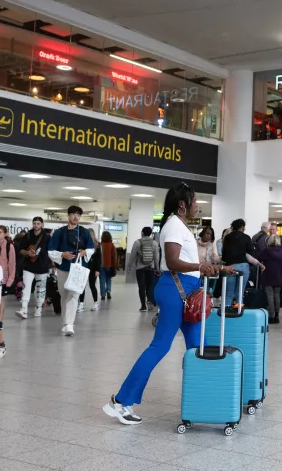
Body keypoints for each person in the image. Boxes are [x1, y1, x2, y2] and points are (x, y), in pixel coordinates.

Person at [102, 183, 235, 426]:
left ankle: (203, 400)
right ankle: (121, 401)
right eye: (194, 200)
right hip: (177, 289)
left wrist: (215, 268)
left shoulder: (181, 225)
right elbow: (173, 262)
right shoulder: (173, 225)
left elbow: (185, 261)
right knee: (160, 346)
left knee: (198, 346)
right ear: (182, 204)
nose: (197, 205)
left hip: (185, 289)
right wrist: (199, 267)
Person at [47, 205, 95, 337]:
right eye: (73, 214)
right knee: (64, 294)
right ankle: (65, 323)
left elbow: (92, 249)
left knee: (73, 295)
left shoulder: (84, 232)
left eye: (78, 215)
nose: (76, 217)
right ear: (68, 216)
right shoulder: (59, 232)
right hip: (63, 268)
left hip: (78, 269)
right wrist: (62, 255)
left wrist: (85, 251)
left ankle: (70, 324)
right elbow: (50, 250)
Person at [222, 219, 265, 308]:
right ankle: (239, 311)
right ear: (242, 227)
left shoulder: (227, 237)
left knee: (229, 293)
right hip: (243, 266)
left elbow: (224, 254)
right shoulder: (246, 237)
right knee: (240, 292)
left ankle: (226, 311)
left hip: (230, 266)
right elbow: (250, 254)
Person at [16, 217, 50, 319]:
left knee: (41, 288)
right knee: (26, 287)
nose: (36, 225)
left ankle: (39, 308)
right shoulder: (28, 235)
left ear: (42, 224)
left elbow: (51, 251)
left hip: (42, 266)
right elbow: (20, 249)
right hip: (28, 265)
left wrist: (53, 265)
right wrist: (27, 253)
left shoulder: (47, 236)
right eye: (34, 223)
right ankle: (24, 309)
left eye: (38, 223)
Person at [128, 227, 160, 312]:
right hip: (151, 268)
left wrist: (129, 267)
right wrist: (157, 269)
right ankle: (149, 301)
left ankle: (143, 306)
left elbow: (132, 256)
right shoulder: (154, 243)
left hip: (140, 269)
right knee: (150, 287)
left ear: (142, 233)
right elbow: (156, 258)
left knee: (141, 287)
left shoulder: (137, 242)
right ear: (150, 233)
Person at [259, 234, 282, 324]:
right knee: (277, 295)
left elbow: (258, 257)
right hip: (278, 275)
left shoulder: (267, 250)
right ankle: (277, 316)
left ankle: (271, 316)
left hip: (268, 275)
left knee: (270, 296)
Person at [0, 225, 16, 328]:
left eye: (0, 232)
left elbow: (12, 264)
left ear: (5, 234)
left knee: (0, 299)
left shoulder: (9, 246)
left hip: (3, 277)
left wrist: (10, 280)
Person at [99, 231, 118, 301]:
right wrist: (114, 265)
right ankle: (108, 291)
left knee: (102, 280)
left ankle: (103, 295)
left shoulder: (100, 245)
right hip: (109, 265)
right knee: (108, 279)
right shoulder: (112, 245)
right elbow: (114, 256)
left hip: (101, 265)